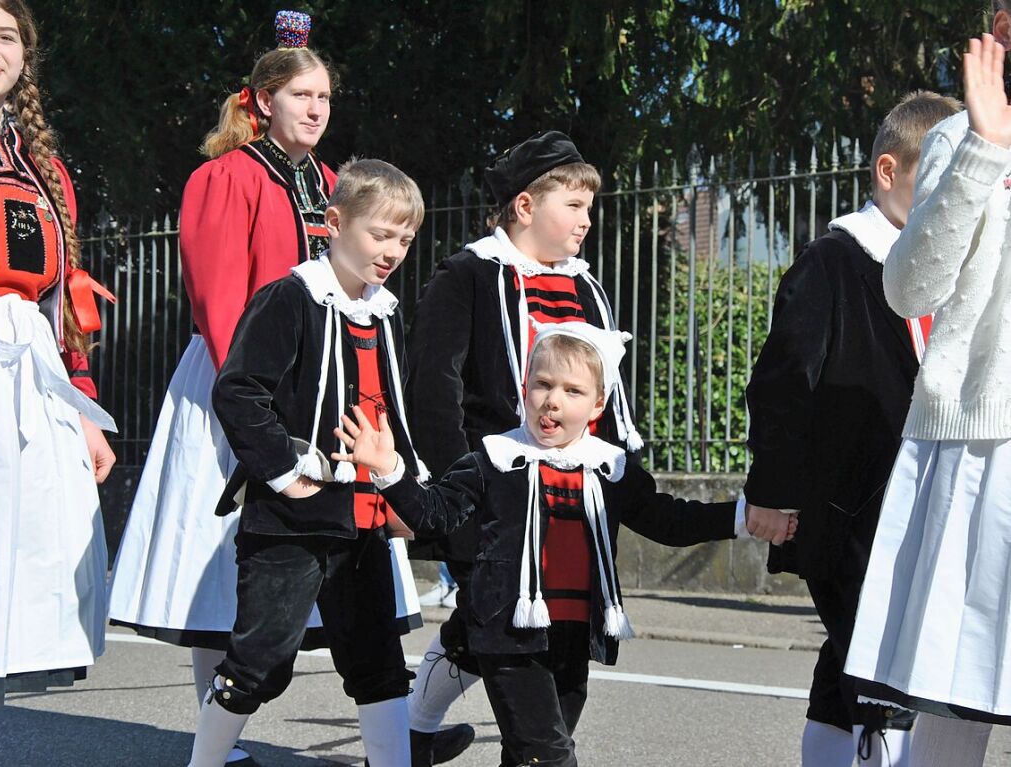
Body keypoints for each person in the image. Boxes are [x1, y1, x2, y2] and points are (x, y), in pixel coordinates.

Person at [336, 321, 772, 767]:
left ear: (598, 403)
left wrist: (746, 517)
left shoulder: (610, 466)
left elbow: (671, 521)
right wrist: (388, 468)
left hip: (573, 636)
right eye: (542, 384)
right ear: (525, 387)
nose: (553, 400)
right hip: (508, 636)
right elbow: (435, 515)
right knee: (550, 757)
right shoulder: (494, 458)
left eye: (572, 391)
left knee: (528, 754)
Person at [107, 11, 343, 766]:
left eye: (325, 97)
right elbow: (219, 297)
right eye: (301, 94)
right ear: (261, 100)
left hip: (324, 382)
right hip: (240, 380)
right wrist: (263, 390)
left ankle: (392, 716)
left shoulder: (335, 184)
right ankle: (220, 739)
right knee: (220, 556)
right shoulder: (224, 176)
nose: (315, 108)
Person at [403, 130, 643, 765]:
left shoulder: (587, 286)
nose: (588, 220)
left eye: (591, 207)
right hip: (494, 486)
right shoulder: (470, 275)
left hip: (569, 490)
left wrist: (613, 480)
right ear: (525, 206)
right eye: (575, 205)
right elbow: (435, 391)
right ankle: (414, 735)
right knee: (497, 615)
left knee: (496, 620)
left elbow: (603, 393)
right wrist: (463, 493)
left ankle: (408, 736)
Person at [185, 158, 426, 767]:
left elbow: (397, 410)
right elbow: (238, 391)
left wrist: (408, 491)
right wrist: (287, 473)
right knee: (261, 660)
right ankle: (204, 762)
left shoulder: (386, 312)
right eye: (379, 233)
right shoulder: (289, 298)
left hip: (365, 516)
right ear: (333, 222)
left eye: (404, 238)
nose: (392, 250)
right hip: (290, 521)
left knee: (377, 657)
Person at [744, 90, 960, 766]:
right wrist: (773, 491)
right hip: (849, 510)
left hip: (915, 504)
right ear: (888, 172)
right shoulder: (835, 260)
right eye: (940, 180)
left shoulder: (946, 269)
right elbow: (781, 381)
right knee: (887, 676)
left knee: (847, 674)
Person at [843, 28, 1011, 767]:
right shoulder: (956, 136)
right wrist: (983, 149)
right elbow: (908, 287)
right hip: (982, 450)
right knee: (957, 704)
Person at [0, 0, 117, 705]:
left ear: (26, 56)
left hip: (30, 375)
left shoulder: (46, 169)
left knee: (17, 574)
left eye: (6, 36)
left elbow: (65, 303)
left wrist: (86, 412)